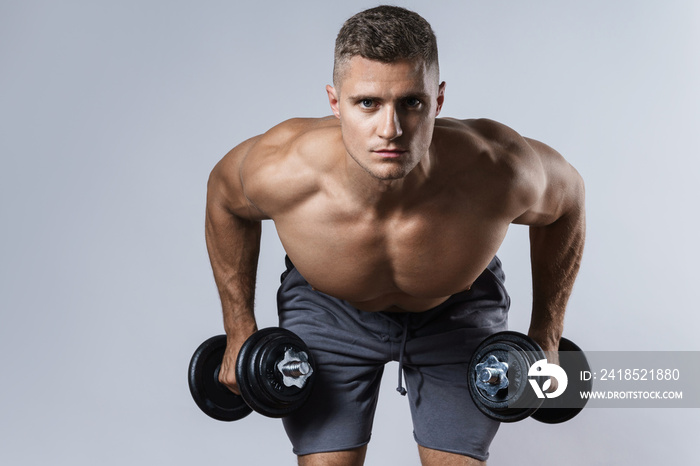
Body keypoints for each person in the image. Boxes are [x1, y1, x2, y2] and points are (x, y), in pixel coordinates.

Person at [204, 5, 585, 465]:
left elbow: (568, 203)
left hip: (455, 312)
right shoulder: (283, 167)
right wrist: (239, 328)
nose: (391, 129)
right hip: (329, 311)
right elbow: (224, 199)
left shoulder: (497, 169)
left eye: (411, 102)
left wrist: (547, 332)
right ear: (333, 101)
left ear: (438, 100)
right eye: (367, 103)